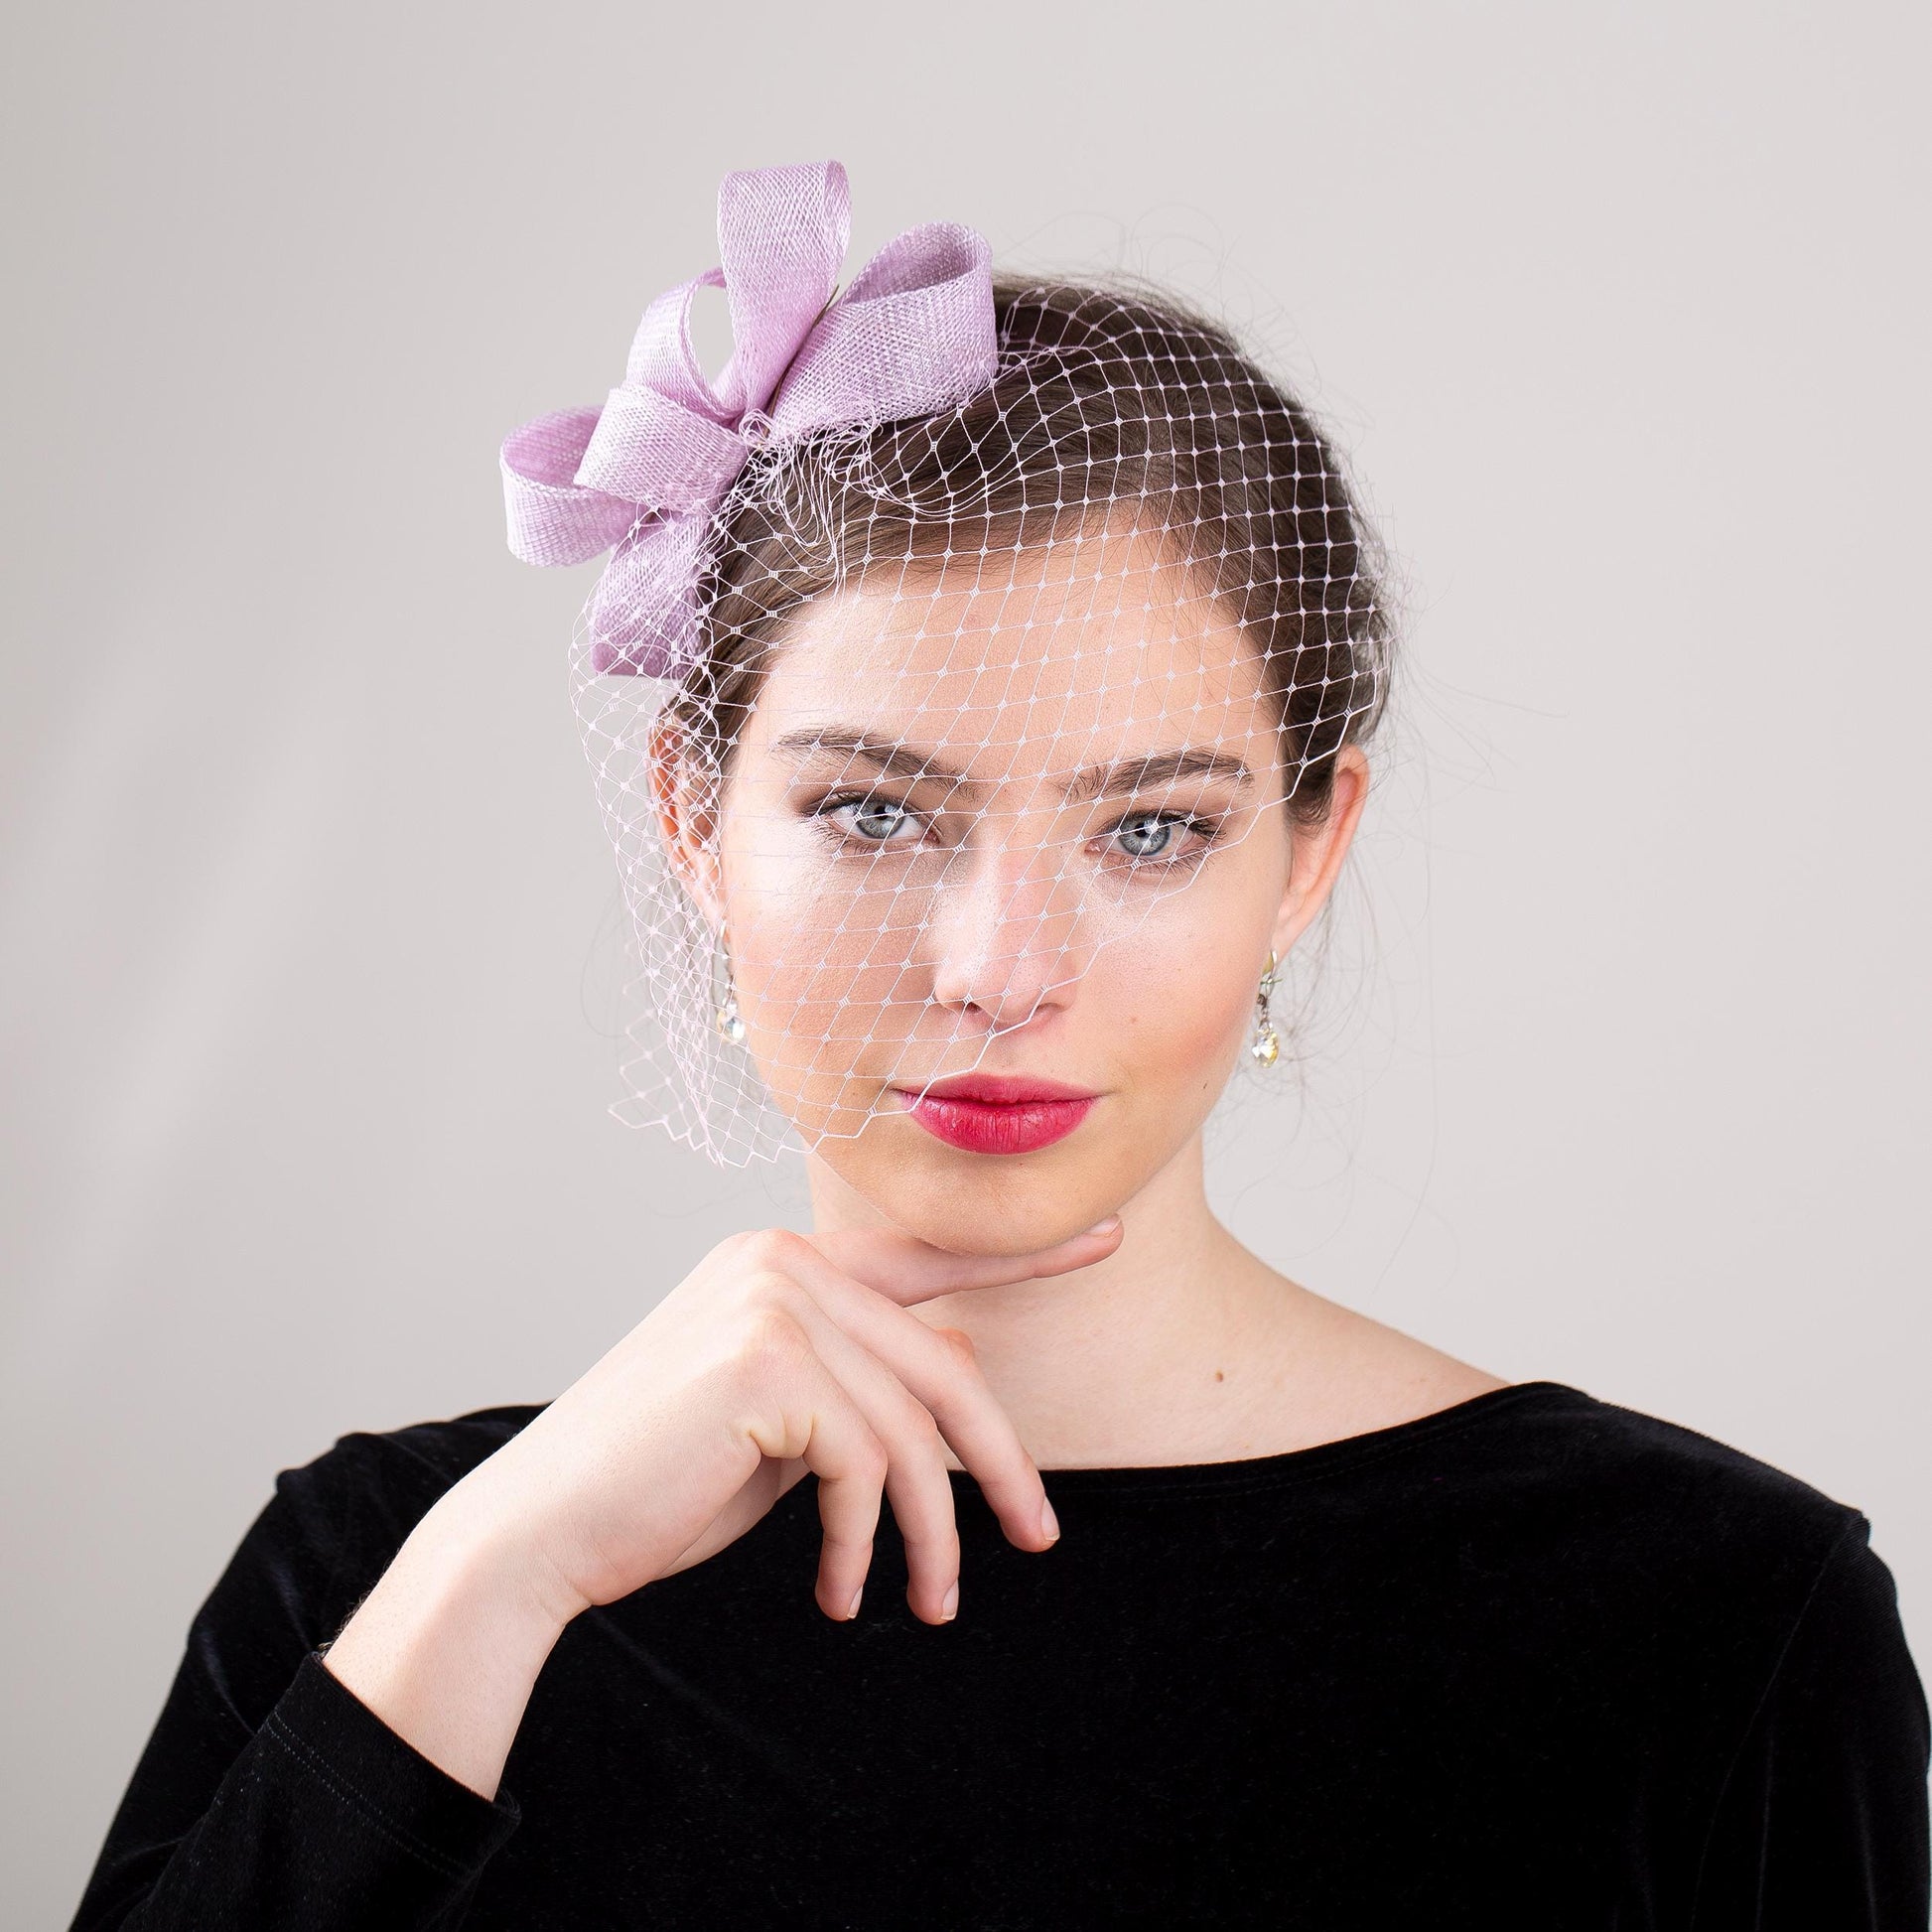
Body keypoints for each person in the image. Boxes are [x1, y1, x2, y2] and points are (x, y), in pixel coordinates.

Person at [70, 162, 1928, 1931]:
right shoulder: (394, 1576)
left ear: (1309, 855)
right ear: (692, 821)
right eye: (874, 813)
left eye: (1150, 829)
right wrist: (499, 1583)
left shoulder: (1710, 1620)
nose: (997, 971)